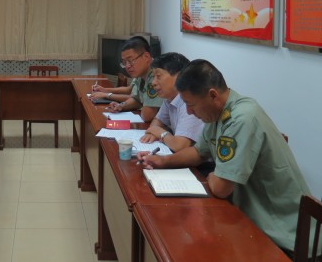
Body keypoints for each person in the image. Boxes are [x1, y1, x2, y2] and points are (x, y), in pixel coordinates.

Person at [138, 59, 315, 256]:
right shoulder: (217, 112)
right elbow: (199, 152)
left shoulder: (242, 118)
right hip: (249, 217)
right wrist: (164, 161)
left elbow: (221, 188)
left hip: (284, 235)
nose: (189, 112)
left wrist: (214, 175)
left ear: (212, 95)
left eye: (191, 105)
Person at [139, 52, 204, 152]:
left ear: (179, 76)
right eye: (153, 76)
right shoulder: (170, 97)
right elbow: (158, 120)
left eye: (158, 76)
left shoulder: (190, 101)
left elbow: (180, 146)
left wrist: (160, 133)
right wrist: (152, 133)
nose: (153, 82)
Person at [106, 36, 163, 121]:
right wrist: (121, 106)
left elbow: (147, 116)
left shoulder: (156, 75)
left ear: (146, 57)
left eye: (131, 60)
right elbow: (136, 99)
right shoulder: (141, 73)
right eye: (124, 62)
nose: (127, 66)